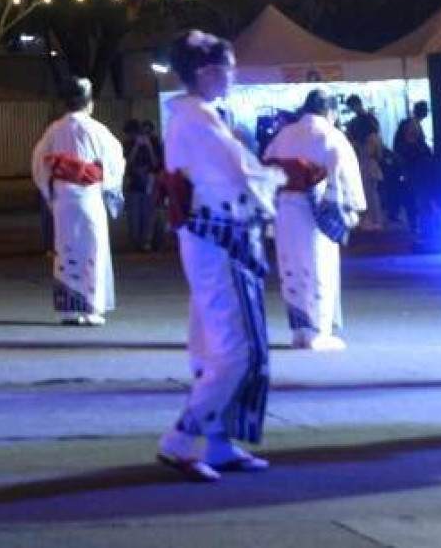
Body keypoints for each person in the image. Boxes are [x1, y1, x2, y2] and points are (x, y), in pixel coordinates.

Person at [156, 31, 281, 483]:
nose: (232, 75)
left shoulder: (195, 119)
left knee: (214, 341)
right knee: (235, 346)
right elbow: (241, 179)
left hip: (208, 237)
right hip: (220, 239)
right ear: (206, 71)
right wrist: (282, 179)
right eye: (228, 67)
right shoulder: (199, 122)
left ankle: (219, 441)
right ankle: (182, 438)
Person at [264, 91, 366, 350]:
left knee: (292, 268)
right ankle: (318, 331)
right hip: (316, 208)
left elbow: (265, 168)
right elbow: (345, 171)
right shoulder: (330, 135)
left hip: (285, 209)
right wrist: (352, 207)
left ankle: (299, 330)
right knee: (319, 267)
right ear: (329, 111)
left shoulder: (283, 135)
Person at [30, 77, 124, 326]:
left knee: (67, 248)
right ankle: (91, 308)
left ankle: (69, 310)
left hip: (63, 197)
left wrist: (49, 192)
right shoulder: (96, 129)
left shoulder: (54, 129)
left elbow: (39, 163)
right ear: (89, 103)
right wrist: (109, 185)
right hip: (89, 194)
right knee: (92, 247)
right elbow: (115, 161)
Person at [342, 96, 386, 231]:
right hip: (367, 158)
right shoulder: (368, 120)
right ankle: (372, 220)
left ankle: (374, 221)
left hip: (366, 158)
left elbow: (371, 140)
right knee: (369, 192)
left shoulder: (361, 122)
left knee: (369, 192)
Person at [389, 101, 431, 233]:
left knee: (412, 195)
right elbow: (412, 146)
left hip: (408, 166)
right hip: (412, 166)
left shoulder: (409, 123)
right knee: (415, 196)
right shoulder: (413, 125)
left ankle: (414, 223)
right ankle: (416, 225)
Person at [122, 120, 164, 252]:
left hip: (149, 183)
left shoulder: (155, 143)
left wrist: (149, 146)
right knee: (134, 217)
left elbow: (156, 164)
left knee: (148, 214)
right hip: (133, 184)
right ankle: (135, 244)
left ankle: (147, 243)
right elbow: (126, 164)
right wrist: (136, 146)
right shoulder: (128, 144)